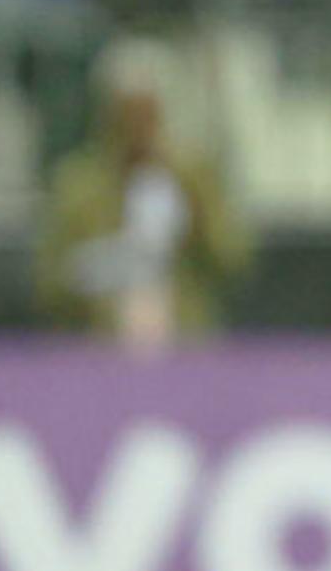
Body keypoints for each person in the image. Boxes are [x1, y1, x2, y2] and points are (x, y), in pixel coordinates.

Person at [34, 39, 251, 347]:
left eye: (147, 114)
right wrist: (95, 270)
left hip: (185, 341)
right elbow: (49, 282)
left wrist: (196, 216)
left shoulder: (195, 175)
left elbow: (233, 260)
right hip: (99, 344)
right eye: (126, 115)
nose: (137, 128)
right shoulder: (77, 184)